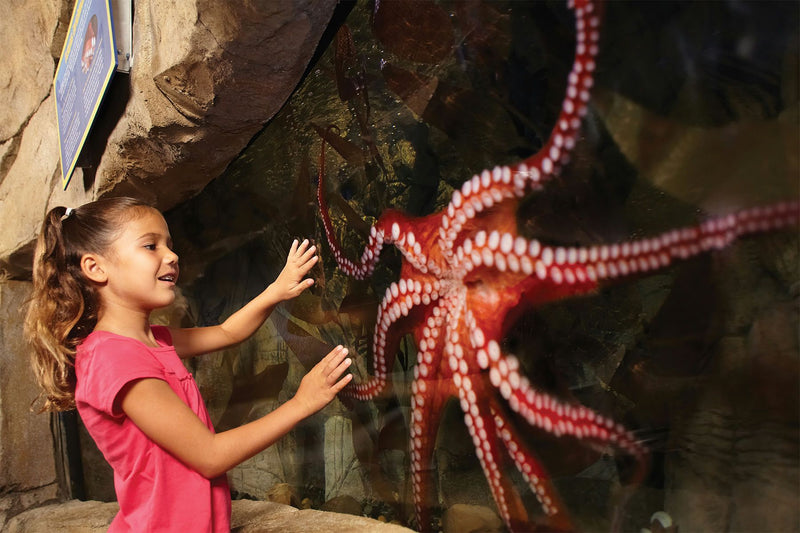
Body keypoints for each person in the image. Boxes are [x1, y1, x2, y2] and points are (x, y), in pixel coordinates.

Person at [24, 196, 353, 532]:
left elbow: (227, 331)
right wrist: (302, 403)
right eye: (151, 246)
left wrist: (275, 291)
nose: (172, 256)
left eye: (170, 244)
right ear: (96, 268)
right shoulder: (114, 358)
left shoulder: (153, 340)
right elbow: (209, 457)